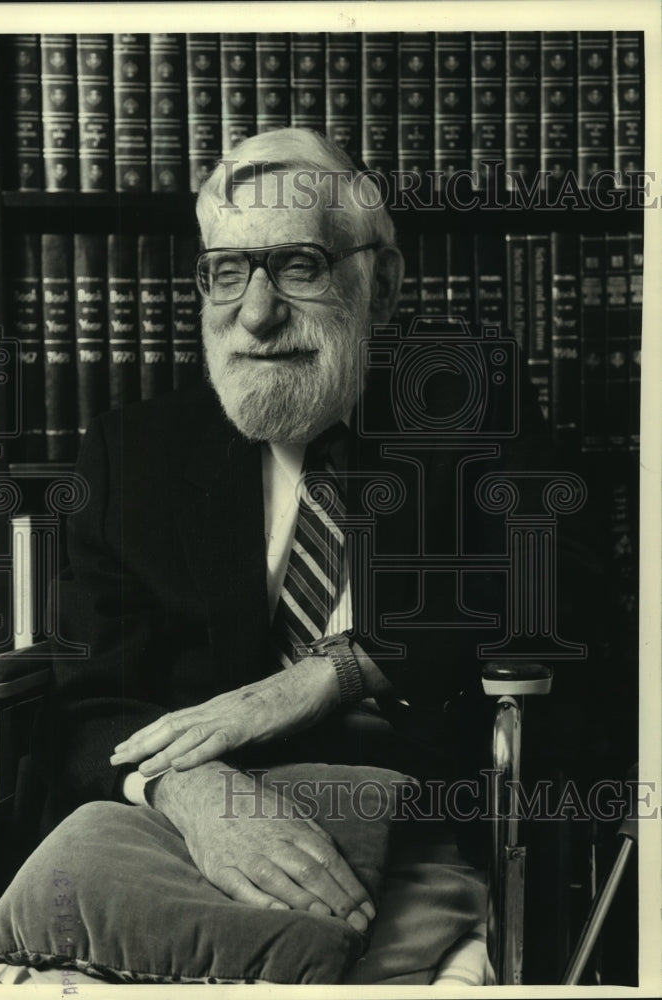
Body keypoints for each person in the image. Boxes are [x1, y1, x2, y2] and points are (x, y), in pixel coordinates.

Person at [37, 128, 605, 961]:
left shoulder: (467, 396)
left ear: (381, 282)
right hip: (193, 834)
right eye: (228, 272)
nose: (257, 314)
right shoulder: (135, 451)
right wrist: (190, 789)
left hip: (419, 824)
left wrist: (327, 676)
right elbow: (86, 703)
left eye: (298, 265)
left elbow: (557, 588)